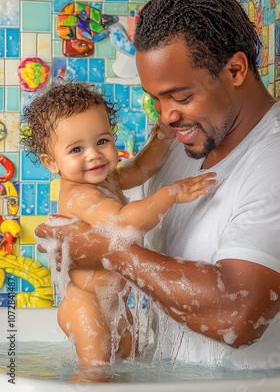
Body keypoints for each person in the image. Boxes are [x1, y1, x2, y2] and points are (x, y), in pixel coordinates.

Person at [35, 0, 280, 371]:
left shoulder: (272, 161)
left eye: (181, 97)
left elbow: (238, 314)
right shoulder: (184, 144)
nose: (166, 116)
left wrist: (108, 250)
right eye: (157, 100)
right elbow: (108, 211)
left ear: (235, 70)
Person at [21, 81, 216, 366]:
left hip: (114, 304)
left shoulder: (106, 179)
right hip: (86, 304)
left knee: (127, 361)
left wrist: (161, 136)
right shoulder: (81, 194)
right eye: (76, 149)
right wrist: (171, 194)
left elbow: (139, 168)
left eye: (102, 141)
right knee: (96, 369)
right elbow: (123, 222)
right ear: (51, 162)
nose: (93, 154)